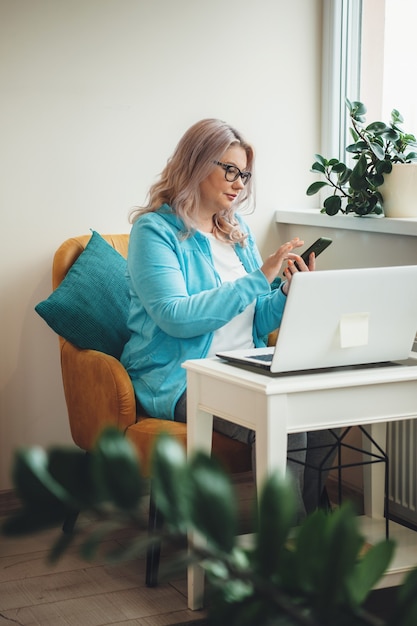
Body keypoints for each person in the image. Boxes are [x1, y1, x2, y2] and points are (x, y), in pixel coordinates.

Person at [121, 118, 336, 519]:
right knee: (286, 424)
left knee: (322, 417)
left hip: (245, 365)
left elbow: (257, 321)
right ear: (198, 165)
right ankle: (288, 551)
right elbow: (175, 317)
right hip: (183, 375)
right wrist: (259, 279)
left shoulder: (237, 232)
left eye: (245, 174)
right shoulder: (154, 231)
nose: (240, 184)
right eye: (231, 170)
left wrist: (288, 290)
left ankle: (304, 535)